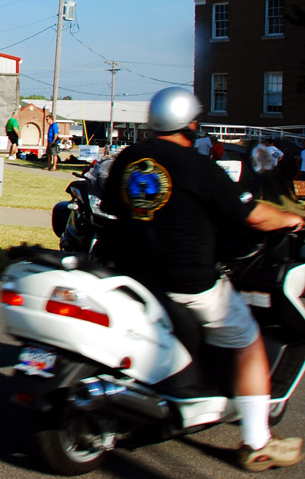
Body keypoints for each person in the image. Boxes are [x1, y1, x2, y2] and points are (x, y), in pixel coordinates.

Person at [102, 87, 305, 471]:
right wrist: (293, 218)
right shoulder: (196, 166)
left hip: (134, 274)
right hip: (187, 281)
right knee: (247, 339)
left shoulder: (129, 158)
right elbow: (250, 215)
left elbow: (115, 207)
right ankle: (258, 442)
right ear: (191, 124)